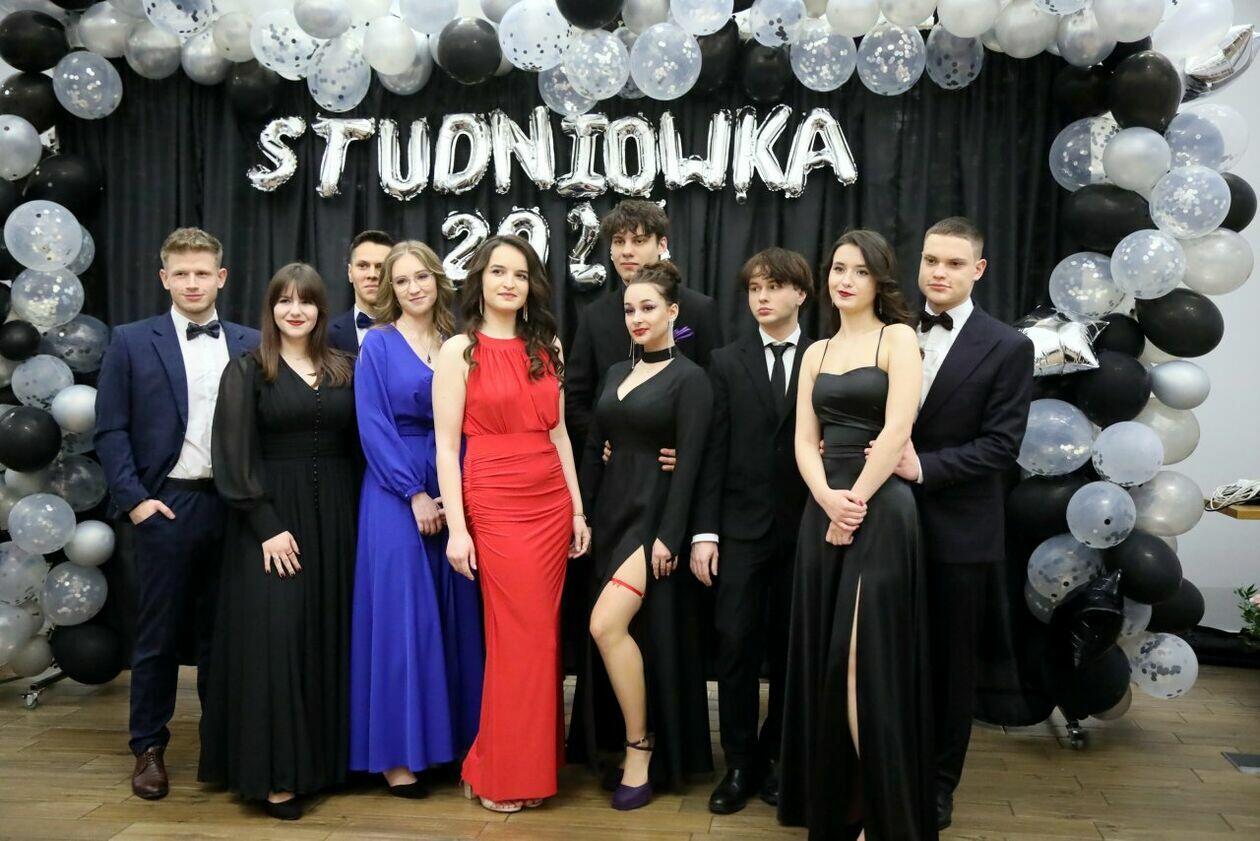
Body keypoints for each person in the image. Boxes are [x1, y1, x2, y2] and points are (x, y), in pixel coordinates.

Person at [778, 230, 936, 840]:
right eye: (838, 269)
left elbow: (898, 430)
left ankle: (880, 812)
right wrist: (826, 499)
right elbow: (803, 439)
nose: (845, 280)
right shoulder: (815, 352)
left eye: (860, 271)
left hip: (882, 509)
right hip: (823, 508)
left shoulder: (898, 338)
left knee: (861, 662)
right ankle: (840, 805)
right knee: (826, 656)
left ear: (879, 280)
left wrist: (855, 503)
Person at [95, 227, 259, 801]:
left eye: (202, 273)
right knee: (158, 635)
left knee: (227, 634)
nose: (192, 283)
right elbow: (110, 429)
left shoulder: (250, 342)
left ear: (222, 278)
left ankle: (222, 746)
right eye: (181, 273)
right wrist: (136, 500)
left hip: (235, 507)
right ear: (164, 278)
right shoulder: (130, 341)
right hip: (167, 503)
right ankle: (148, 747)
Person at [883, 217, 1033, 830]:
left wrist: (924, 468)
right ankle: (885, 769)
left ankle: (939, 784)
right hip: (883, 522)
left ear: (979, 269)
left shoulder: (1008, 346)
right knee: (887, 656)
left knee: (950, 667)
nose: (938, 273)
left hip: (960, 533)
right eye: (930, 260)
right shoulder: (891, 330)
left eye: (953, 263)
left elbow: (1002, 446)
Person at [432, 235, 590, 813]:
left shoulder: (547, 345)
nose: (509, 283)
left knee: (541, 639)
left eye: (520, 275)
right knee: (516, 637)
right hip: (494, 501)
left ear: (531, 287)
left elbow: (560, 433)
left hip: (550, 501)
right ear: (480, 280)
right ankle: (502, 772)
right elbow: (446, 448)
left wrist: (577, 510)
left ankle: (517, 763)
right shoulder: (459, 351)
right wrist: (457, 529)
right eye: (499, 272)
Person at [197, 263, 360, 821]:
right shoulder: (247, 370)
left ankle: (325, 766)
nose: (296, 310)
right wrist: (265, 525)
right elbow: (231, 457)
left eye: (306, 301)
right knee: (279, 642)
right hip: (270, 524)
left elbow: (364, 446)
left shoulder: (345, 367)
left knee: (326, 635)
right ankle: (276, 776)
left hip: (338, 520)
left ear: (320, 309)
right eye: (284, 301)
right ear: (270, 309)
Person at [569, 261, 714, 810]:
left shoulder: (691, 379)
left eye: (648, 307)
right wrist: (582, 515)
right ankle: (623, 740)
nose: (637, 317)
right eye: (630, 308)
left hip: (651, 519)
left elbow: (692, 464)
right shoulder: (613, 373)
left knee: (605, 625)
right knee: (617, 632)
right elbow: (595, 447)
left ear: (673, 312)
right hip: (610, 514)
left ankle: (640, 747)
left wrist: (670, 536)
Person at [349, 241, 484, 796]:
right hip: (394, 492)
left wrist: (457, 496)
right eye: (401, 280)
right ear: (390, 289)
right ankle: (398, 756)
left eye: (421, 277)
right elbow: (373, 425)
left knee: (457, 615)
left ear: (437, 279)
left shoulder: (461, 342)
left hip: (457, 485)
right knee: (403, 621)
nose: (413, 288)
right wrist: (415, 494)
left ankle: (456, 745)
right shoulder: (378, 345)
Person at [691, 248, 814, 815]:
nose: (761, 297)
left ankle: (780, 753)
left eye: (773, 287)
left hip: (807, 526)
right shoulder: (725, 360)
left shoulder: (825, 355)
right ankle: (739, 762)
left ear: (800, 294)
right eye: (753, 289)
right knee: (735, 644)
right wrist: (705, 531)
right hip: (740, 528)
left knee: (793, 647)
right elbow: (712, 450)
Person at [564, 200, 723, 460]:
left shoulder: (698, 308)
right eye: (618, 241)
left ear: (662, 245)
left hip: (676, 461)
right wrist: (601, 440)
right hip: (612, 465)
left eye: (639, 241)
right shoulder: (595, 315)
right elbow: (575, 397)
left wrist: (689, 447)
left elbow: (715, 390)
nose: (627, 251)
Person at [328, 230, 395, 353]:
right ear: (350, 272)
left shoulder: (413, 331)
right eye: (363, 266)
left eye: (380, 267)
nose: (372, 274)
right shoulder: (328, 335)